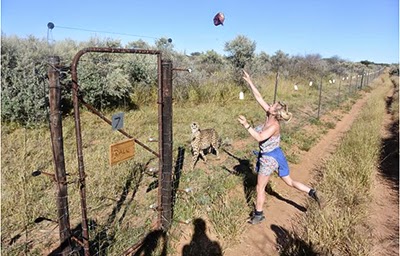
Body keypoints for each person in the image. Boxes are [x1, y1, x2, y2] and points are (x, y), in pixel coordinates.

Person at [238, 70, 320, 224]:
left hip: (269, 158)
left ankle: (258, 214)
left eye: (273, 105)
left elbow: (259, 137)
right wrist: (250, 82)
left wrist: (246, 125)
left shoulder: (273, 125)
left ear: (275, 113)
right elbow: (259, 97)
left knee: (260, 187)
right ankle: (311, 191)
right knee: (289, 182)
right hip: (278, 155)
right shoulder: (270, 115)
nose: (271, 104)